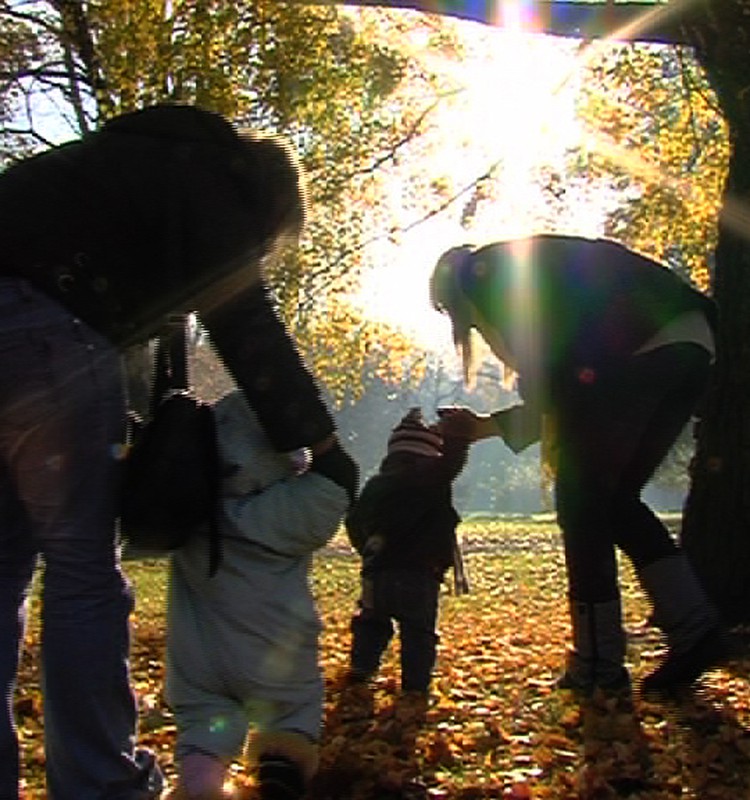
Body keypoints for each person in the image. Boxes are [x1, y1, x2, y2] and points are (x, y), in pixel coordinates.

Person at [0, 104, 346, 799]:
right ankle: (98, 784)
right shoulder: (211, 180)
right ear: (266, 200)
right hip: (49, 336)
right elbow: (243, 321)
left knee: (0, 569)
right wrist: (321, 442)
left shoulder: (104, 164)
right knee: (81, 570)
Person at [429, 234, 727, 696]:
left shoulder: (484, 278)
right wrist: (487, 426)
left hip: (641, 350)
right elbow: (564, 385)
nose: (464, 328)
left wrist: (490, 423)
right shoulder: (519, 264)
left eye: (451, 314)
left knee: (583, 503)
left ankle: (597, 664)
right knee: (617, 503)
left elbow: (557, 380)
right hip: (689, 345)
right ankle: (697, 631)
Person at [164, 389, 357, 800]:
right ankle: (279, 773)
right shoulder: (286, 509)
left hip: (196, 654)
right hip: (271, 652)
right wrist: (317, 433)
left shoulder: (188, 514)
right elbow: (340, 479)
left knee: (203, 724)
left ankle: (200, 786)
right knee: (291, 712)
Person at [345, 407, 471, 696]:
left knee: (371, 621)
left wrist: (366, 548)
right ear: (429, 453)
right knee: (418, 632)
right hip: (420, 572)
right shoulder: (432, 477)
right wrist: (457, 432)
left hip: (378, 571)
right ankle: (415, 686)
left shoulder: (377, 484)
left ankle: (361, 668)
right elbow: (452, 462)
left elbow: (354, 520)